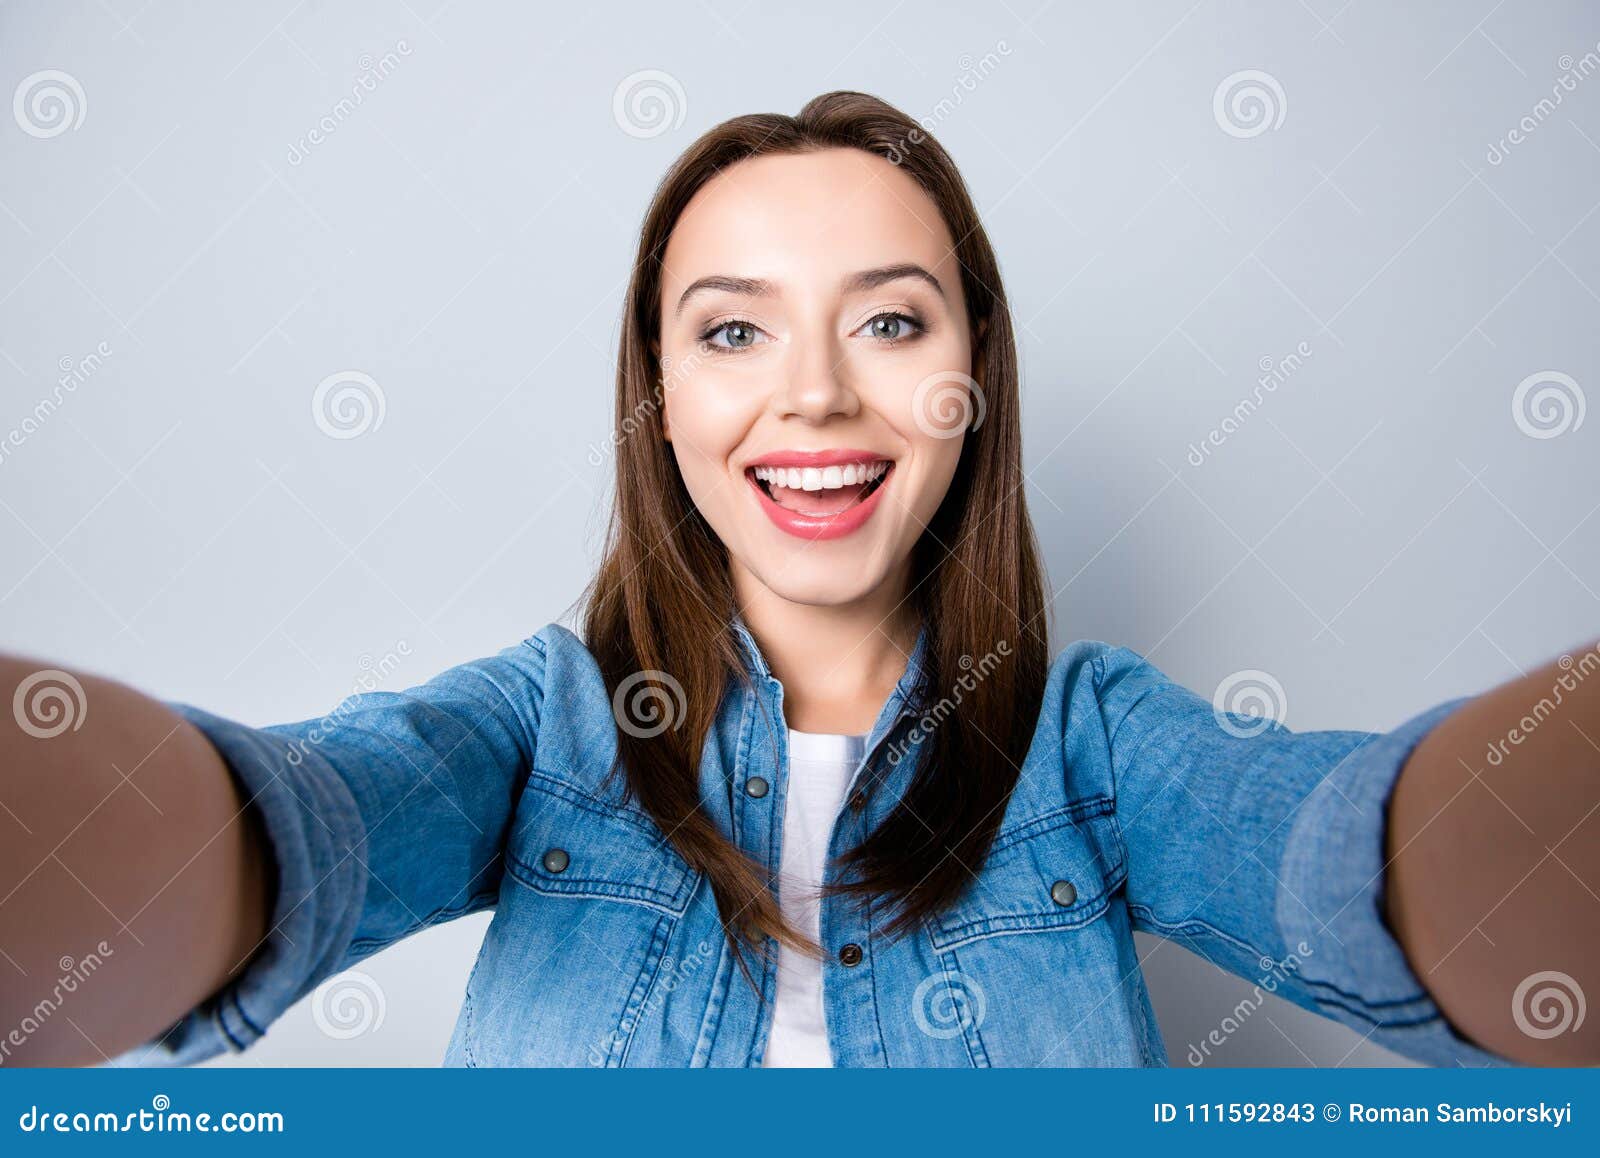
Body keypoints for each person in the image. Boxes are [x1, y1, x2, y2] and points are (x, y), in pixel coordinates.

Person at [2, 91, 1595, 1068]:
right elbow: (288, 831)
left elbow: (1357, 853)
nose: (816, 394)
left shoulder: (1091, 744)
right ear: (661, 390)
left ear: (976, 370)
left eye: (892, 320)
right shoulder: (541, 727)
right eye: (733, 328)